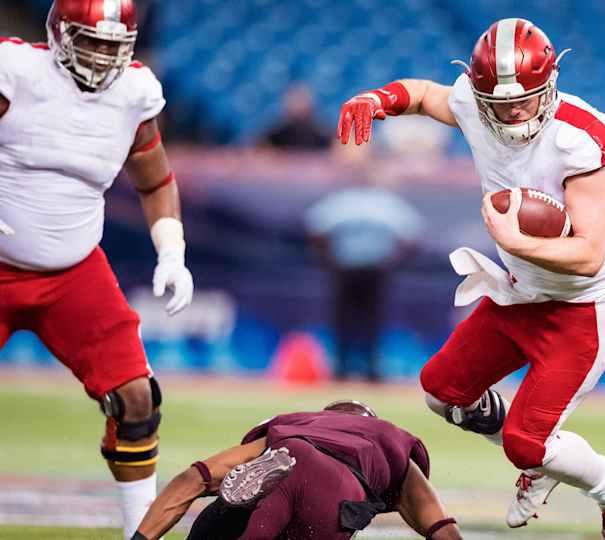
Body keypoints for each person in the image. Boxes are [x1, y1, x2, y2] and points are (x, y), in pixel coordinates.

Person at [337, 17, 605, 539]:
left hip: (582, 309)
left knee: (526, 443)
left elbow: (589, 256)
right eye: (500, 103)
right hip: (522, 293)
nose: (513, 113)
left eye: (525, 99)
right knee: (442, 391)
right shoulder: (474, 107)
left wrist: (515, 242)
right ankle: (542, 461)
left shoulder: (583, 136)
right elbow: (424, 94)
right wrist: (377, 99)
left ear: (550, 83)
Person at [0, 1, 194, 538]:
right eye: (92, 41)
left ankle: (140, 530)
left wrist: (172, 251)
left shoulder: (133, 94)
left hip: (73, 271)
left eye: (114, 45)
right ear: (59, 33)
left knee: (137, 396)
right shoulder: (16, 74)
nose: (103, 56)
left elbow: (155, 181)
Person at [132, 400, 461, 540]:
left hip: (289, 452)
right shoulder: (389, 438)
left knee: (225, 523)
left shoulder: (295, 423)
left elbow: (195, 477)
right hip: (338, 488)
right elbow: (443, 531)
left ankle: (240, 505)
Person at [304, 164, 423, 381]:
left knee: (365, 319)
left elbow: (315, 229)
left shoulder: (349, 202)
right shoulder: (380, 203)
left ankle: (365, 368)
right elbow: (411, 237)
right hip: (356, 268)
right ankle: (346, 367)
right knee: (351, 319)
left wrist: (328, 258)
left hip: (362, 268)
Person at [264, 84, 331, 150]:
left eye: (302, 100)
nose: (299, 107)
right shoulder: (278, 133)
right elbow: (262, 148)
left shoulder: (321, 133)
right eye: (296, 101)